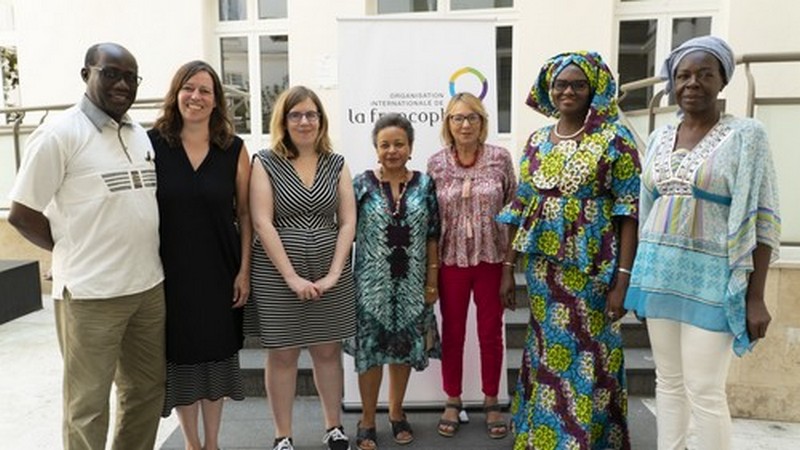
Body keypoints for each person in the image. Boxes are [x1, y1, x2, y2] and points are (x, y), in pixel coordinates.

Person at [624, 36, 781, 450]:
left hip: (715, 279)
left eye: (704, 74)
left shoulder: (747, 135)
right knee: (669, 384)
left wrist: (755, 296)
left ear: (723, 80)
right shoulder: (659, 137)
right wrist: (639, 278)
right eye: (683, 75)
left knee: (705, 390)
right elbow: (646, 209)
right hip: (660, 276)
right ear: (673, 83)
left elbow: (764, 219)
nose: (692, 83)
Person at [7, 42, 165, 449]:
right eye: (111, 73)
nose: (122, 84)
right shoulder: (60, 135)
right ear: (86, 75)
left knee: (145, 393)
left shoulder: (138, 134)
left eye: (131, 77)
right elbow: (22, 214)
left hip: (147, 288)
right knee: (87, 406)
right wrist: (67, 249)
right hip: (91, 295)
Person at [497, 51, 641, 449]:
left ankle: (587, 438)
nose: (568, 91)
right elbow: (522, 206)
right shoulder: (537, 140)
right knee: (547, 350)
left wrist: (622, 281)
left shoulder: (615, 138)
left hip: (595, 270)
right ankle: (545, 436)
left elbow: (630, 211)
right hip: (545, 271)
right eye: (561, 84)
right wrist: (508, 267)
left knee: (590, 354)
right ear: (549, 88)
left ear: (594, 89)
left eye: (578, 84)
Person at [245, 85, 356, 450]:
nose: (304, 121)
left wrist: (336, 272)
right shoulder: (264, 161)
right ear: (284, 120)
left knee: (327, 350)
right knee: (283, 353)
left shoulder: (336, 163)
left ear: (321, 120)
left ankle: (333, 427)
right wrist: (291, 277)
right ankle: (283, 436)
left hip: (330, 268)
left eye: (311, 114)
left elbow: (347, 221)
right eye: (296, 115)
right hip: (277, 273)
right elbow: (262, 222)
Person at [149, 60, 251, 450]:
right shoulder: (153, 144)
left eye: (205, 90)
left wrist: (244, 271)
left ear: (216, 100)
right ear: (176, 94)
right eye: (189, 88)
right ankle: (193, 444)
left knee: (216, 357)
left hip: (219, 270)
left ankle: (213, 443)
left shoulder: (233, 149)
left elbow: (244, 214)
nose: (196, 96)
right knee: (181, 359)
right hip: (169, 271)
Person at [344, 113, 441, 450]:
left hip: (413, 286)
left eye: (399, 143)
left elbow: (433, 236)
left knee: (402, 353)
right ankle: (367, 419)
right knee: (370, 354)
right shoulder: (361, 184)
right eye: (385, 144)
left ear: (410, 147)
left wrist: (432, 281)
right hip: (371, 288)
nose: (392, 150)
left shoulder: (426, 184)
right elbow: (346, 233)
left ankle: (397, 413)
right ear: (376, 147)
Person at [427, 92, 516, 439]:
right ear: (448, 124)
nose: (465, 124)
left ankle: (492, 400)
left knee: (490, 333)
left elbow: (514, 211)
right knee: (453, 333)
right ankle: (453, 398)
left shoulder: (500, 158)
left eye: (472, 118)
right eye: (457, 118)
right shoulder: (436, 163)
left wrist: (509, 266)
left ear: (482, 123)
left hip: (491, 260)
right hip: (450, 261)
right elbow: (430, 220)